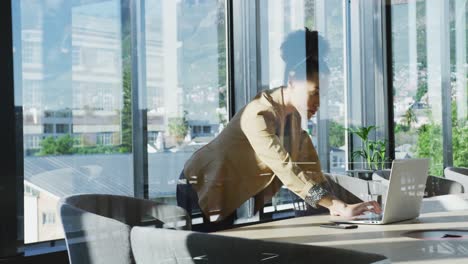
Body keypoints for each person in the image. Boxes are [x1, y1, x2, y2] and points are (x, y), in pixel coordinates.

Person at [177, 28, 381, 227]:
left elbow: (310, 170)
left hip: (228, 196)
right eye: (314, 92)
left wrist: (338, 205)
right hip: (198, 188)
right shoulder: (259, 113)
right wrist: (337, 204)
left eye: (323, 95)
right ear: (292, 81)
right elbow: (285, 168)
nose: (318, 102)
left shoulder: (293, 119)